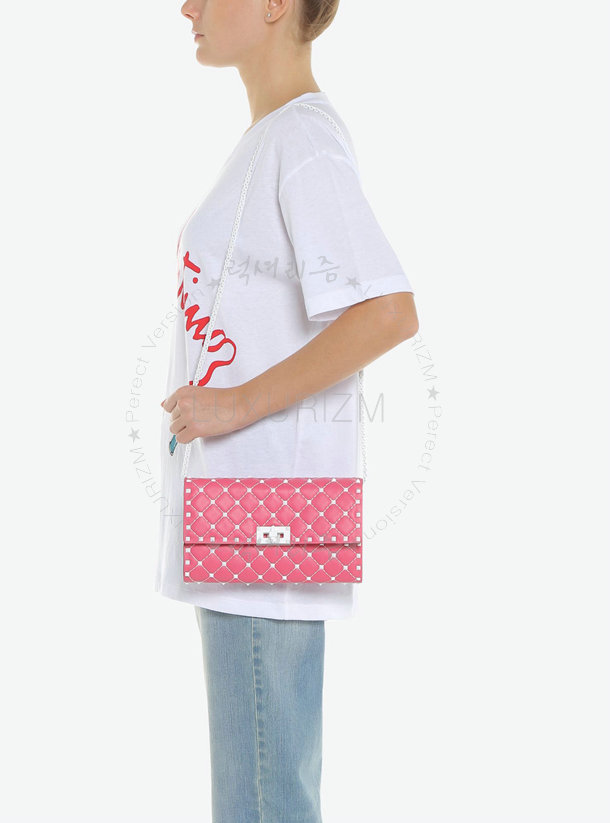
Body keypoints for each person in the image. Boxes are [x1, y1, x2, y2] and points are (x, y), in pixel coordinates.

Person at [157, 1, 419, 820]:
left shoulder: (301, 141)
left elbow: (387, 311)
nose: (187, 6)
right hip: (244, 514)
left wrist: (235, 403)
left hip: (262, 516)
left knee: (262, 799)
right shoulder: (273, 140)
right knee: (262, 792)